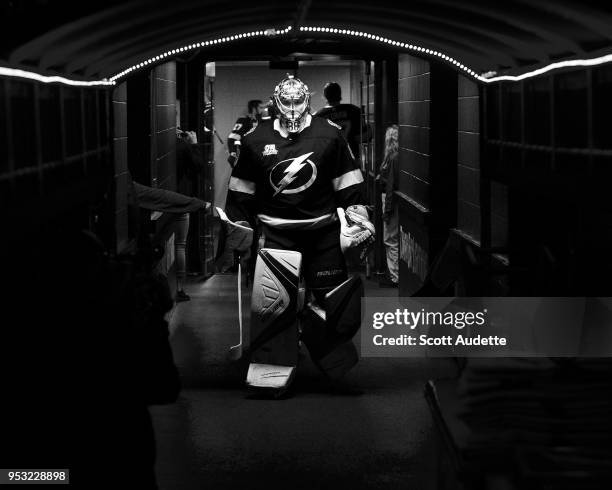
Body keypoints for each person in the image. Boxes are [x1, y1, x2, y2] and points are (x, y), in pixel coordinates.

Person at [224, 75, 375, 397]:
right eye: (286, 101)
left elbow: (348, 183)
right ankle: (273, 366)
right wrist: (239, 233)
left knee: (335, 306)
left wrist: (359, 218)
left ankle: (324, 347)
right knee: (273, 308)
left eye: (297, 101)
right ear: (276, 101)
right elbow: (241, 193)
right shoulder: (255, 138)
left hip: (323, 232)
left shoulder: (329, 135)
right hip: (276, 234)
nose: (292, 108)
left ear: (307, 100)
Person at [174, 129, 203, 301]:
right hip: (180, 199)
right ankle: (179, 287)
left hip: (162, 198)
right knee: (180, 244)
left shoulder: (164, 142)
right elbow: (198, 166)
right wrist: (194, 144)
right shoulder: (183, 145)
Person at [313, 82, 371, 159]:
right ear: (340, 94)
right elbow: (366, 136)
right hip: (351, 159)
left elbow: (315, 144)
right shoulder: (354, 110)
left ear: (324, 96)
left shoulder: (317, 116)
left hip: (329, 160)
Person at [377, 125, 399, 287]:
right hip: (391, 200)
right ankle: (395, 275)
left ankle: (395, 277)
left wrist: (387, 210)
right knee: (393, 239)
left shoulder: (392, 157)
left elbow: (390, 186)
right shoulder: (396, 157)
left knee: (390, 239)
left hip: (390, 201)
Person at [227, 99, 266, 168]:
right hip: (247, 158)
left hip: (261, 158)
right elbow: (232, 138)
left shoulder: (263, 122)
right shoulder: (244, 120)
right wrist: (233, 153)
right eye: (260, 108)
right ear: (254, 108)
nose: (263, 110)